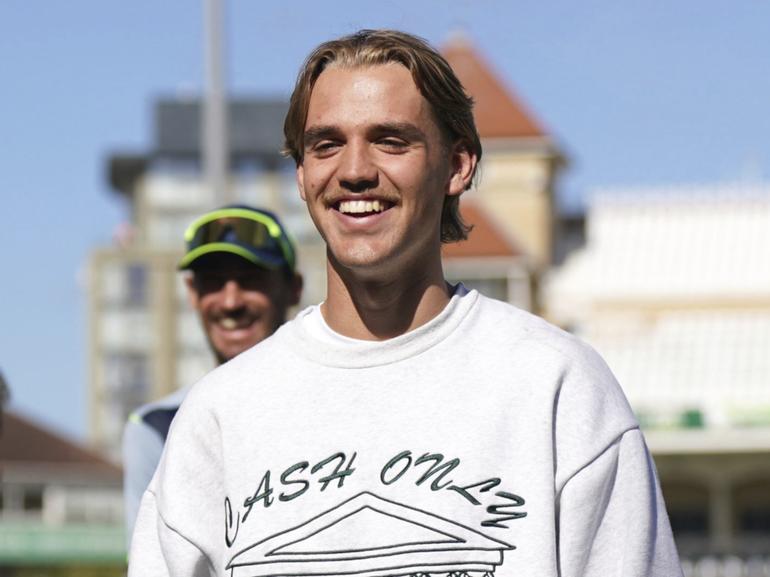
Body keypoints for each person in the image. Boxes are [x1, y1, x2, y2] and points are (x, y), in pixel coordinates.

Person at [129, 30, 682, 577]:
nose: (354, 170)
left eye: (391, 140)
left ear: (457, 165)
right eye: (326, 144)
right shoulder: (219, 413)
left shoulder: (558, 385)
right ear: (301, 175)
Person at [122, 205, 302, 540]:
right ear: (192, 293)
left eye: (251, 280)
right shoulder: (158, 427)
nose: (230, 301)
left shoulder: (329, 407)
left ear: (293, 288)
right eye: (213, 283)